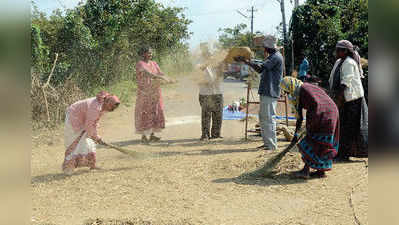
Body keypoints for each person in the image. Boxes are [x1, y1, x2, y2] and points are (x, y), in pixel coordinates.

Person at [281, 77, 339, 179]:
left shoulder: (301, 91)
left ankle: (305, 171)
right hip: (332, 112)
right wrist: (296, 134)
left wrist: (303, 131)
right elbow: (300, 118)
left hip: (323, 113)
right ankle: (320, 172)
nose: (287, 94)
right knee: (322, 144)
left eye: (286, 91)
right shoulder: (304, 87)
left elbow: (307, 113)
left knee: (309, 141)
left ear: (290, 87)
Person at [235, 35, 284, 150]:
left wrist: (245, 61)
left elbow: (260, 68)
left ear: (268, 47)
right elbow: (260, 67)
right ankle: (267, 143)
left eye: (264, 47)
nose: (264, 49)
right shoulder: (272, 56)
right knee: (263, 118)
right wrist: (247, 61)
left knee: (269, 118)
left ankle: (271, 145)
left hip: (270, 91)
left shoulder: (276, 57)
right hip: (267, 91)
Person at [62, 91, 120, 175]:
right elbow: (89, 126)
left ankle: (92, 165)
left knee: (89, 143)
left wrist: (97, 137)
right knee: (75, 144)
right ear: (107, 103)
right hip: (74, 118)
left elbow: (94, 123)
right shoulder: (95, 107)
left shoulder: (102, 105)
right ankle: (68, 168)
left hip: (82, 119)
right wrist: (97, 138)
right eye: (111, 107)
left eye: (113, 109)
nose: (111, 110)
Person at [329, 40, 368, 161]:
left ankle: (344, 155)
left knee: (349, 128)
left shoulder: (349, 63)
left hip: (352, 100)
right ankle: (343, 153)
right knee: (344, 127)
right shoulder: (339, 62)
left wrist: (339, 100)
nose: (336, 52)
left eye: (339, 50)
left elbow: (345, 83)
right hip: (344, 100)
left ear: (345, 51)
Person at [135, 47, 173, 144]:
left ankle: (152, 135)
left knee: (156, 111)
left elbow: (160, 73)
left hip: (155, 91)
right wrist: (161, 78)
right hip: (145, 93)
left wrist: (168, 78)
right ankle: (144, 136)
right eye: (148, 53)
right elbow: (149, 74)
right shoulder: (140, 64)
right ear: (143, 54)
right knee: (145, 112)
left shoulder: (154, 63)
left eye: (151, 53)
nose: (150, 55)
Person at [198, 61, 224, 141]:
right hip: (205, 93)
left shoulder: (217, 66)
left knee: (218, 114)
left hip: (217, 93)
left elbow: (220, 76)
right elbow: (197, 72)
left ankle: (216, 134)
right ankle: (205, 135)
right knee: (206, 115)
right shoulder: (199, 64)